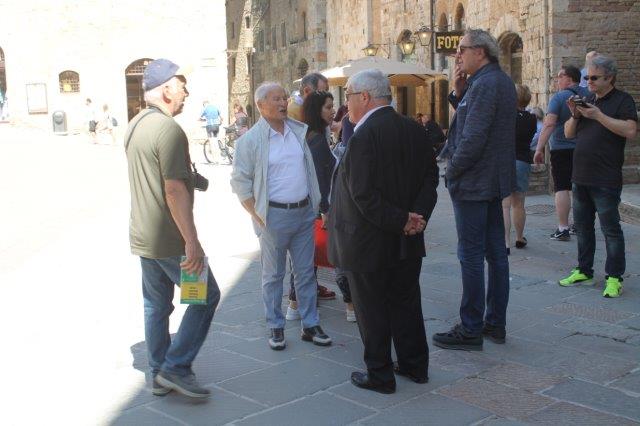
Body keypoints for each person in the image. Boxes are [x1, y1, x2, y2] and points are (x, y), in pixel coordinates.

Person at [328, 69, 439, 394]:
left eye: (348, 95)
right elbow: (431, 178)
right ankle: (414, 365)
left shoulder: (363, 137)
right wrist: (416, 217)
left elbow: (363, 195)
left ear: (364, 97)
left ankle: (380, 374)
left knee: (371, 308)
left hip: (369, 239)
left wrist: (403, 219)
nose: (346, 104)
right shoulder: (414, 128)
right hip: (406, 237)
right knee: (406, 301)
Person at [124, 59, 220, 398]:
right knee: (206, 296)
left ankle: (158, 372)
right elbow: (173, 189)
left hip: (144, 235)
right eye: (181, 86)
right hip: (170, 239)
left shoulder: (135, 125)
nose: (186, 93)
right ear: (166, 90)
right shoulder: (168, 130)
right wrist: (191, 241)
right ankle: (176, 367)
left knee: (157, 305)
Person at [230, 82, 332, 350]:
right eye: (276, 99)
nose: (283, 103)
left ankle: (310, 324)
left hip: (303, 213)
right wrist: (258, 216)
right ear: (260, 105)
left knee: (306, 273)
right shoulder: (249, 141)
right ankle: (276, 325)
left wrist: (316, 204)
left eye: (284, 98)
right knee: (273, 275)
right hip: (272, 216)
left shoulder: (298, 131)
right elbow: (240, 183)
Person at [433, 29, 516, 351]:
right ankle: (495, 322)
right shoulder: (493, 81)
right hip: (491, 181)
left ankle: (470, 328)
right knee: (495, 253)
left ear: (480, 52)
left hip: (475, 182)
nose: (457, 55)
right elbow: (474, 119)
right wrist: (459, 92)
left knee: (470, 254)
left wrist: (452, 171)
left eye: (462, 49)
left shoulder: (486, 83)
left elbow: (474, 136)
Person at [560, 55, 637, 298]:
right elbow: (568, 133)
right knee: (583, 228)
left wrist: (598, 116)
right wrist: (575, 114)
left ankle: (614, 277)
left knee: (610, 230)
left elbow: (630, 130)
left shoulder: (623, 100)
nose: (589, 82)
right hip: (580, 175)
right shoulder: (588, 99)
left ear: (609, 78)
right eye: (587, 77)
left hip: (605, 178)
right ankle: (584, 270)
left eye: (594, 78)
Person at [295, 90, 355, 322]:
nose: (333, 111)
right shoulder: (317, 140)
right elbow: (319, 178)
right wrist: (325, 210)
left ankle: (295, 305)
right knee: (339, 258)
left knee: (308, 259)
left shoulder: (312, 136)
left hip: (314, 206)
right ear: (316, 110)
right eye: (328, 107)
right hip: (324, 207)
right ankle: (351, 307)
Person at [534, 65, 589, 241]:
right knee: (580, 187)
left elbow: (549, 124)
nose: (557, 80)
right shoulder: (589, 95)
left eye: (559, 76)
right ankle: (580, 225)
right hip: (584, 147)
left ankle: (563, 228)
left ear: (569, 78)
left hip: (561, 148)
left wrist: (539, 148)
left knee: (562, 187)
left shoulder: (559, 97)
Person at [502, 85, 537, 253]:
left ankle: (505, 243)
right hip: (522, 160)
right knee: (519, 203)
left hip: (505, 159)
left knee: (504, 205)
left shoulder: (505, 116)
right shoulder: (531, 118)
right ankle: (519, 237)